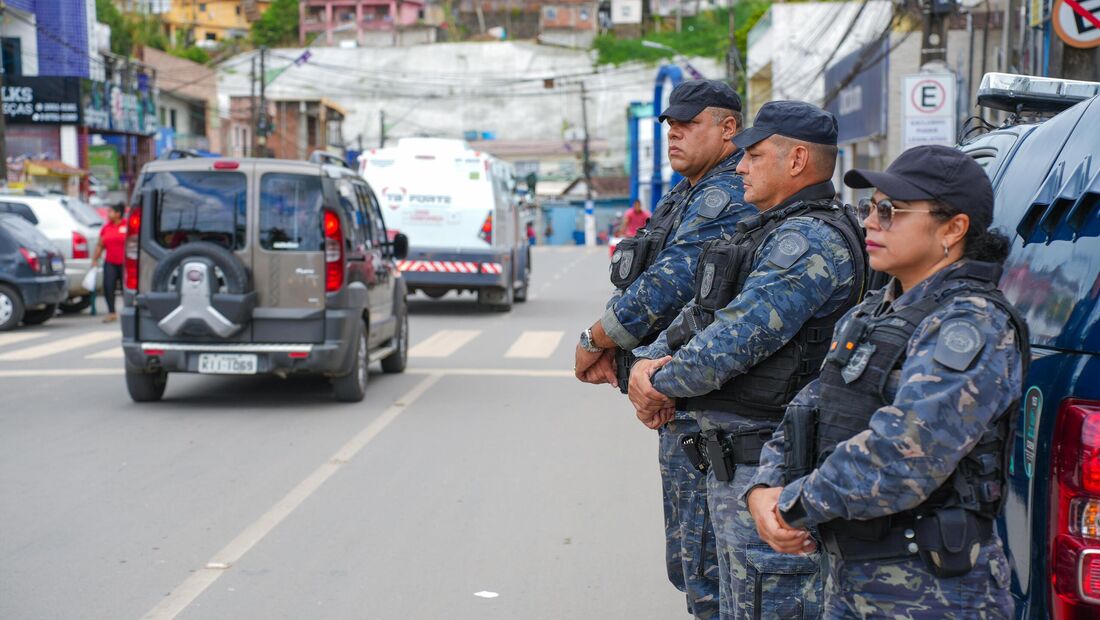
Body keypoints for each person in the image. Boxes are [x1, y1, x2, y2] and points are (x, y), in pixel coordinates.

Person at [745, 145, 1028, 618]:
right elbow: (808, 408)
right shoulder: (872, 313)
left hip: (932, 590)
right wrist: (763, 488)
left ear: (953, 229)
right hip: (849, 579)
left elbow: (904, 455)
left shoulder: (971, 323)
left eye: (890, 210)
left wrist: (790, 505)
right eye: (869, 208)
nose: (871, 222)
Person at [629, 101, 868, 619]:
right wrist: (644, 363)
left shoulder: (808, 241)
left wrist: (657, 382)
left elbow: (733, 341)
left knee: (766, 604)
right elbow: (702, 315)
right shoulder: (768, 230)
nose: (739, 167)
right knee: (719, 601)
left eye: (754, 156)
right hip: (732, 461)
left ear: (797, 160)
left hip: (768, 464)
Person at [573, 79, 755, 619]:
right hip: (680, 396)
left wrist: (595, 339)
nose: (674, 134)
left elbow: (669, 285)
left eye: (688, 124)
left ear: (728, 129)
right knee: (691, 564)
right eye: (670, 126)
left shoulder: (724, 193)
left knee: (709, 575)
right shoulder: (691, 189)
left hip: (707, 401)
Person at [91, 202, 127, 323]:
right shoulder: (106, 227)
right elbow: (100, 245)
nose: (108, 214)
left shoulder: (127, 226)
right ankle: (111, 312)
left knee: (125, 288)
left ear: (118, 214)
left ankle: (128, 311)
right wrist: (95, 259)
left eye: (110, 212)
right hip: (110, 262)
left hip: (125, 263)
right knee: (108, 286)